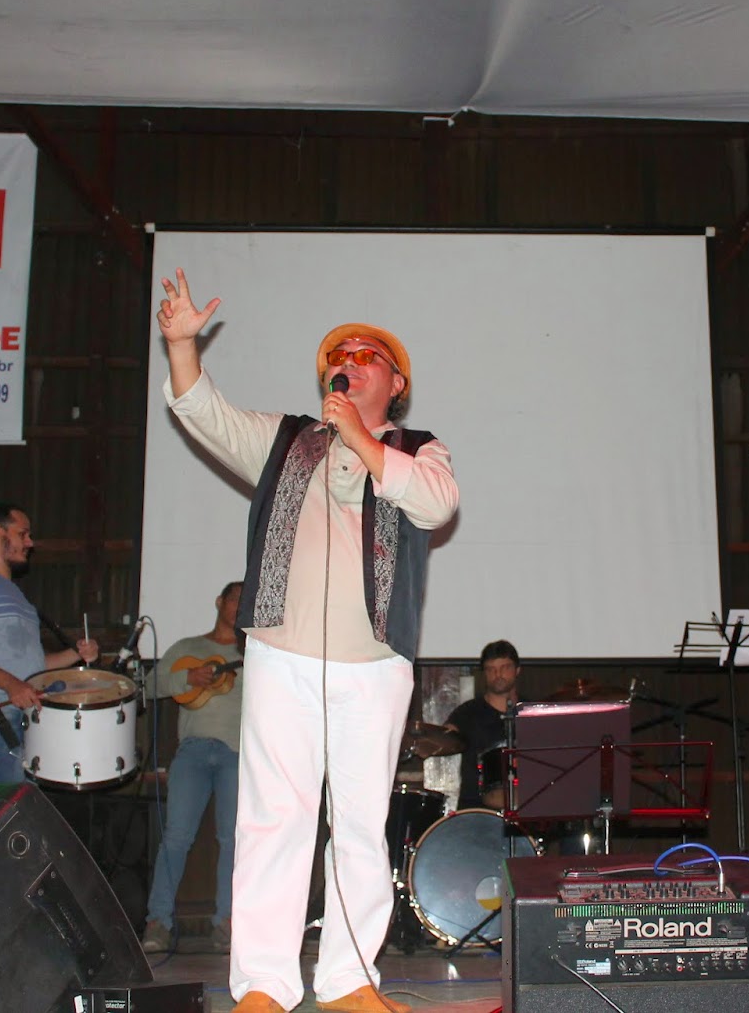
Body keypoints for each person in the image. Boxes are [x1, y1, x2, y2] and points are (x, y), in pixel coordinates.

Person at [157, 268, 458, 1013]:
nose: (349, 361)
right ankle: (265, 984)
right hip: (282, 656)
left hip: (374, 664)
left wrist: (360, 438)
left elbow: (436, 504)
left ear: (396, 383)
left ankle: (349, 981)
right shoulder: (286, 439)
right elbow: (205, 413)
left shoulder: (420, 448)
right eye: (340, 355)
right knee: (273, 820)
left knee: (359, 825)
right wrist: (182, 348)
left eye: (367, 355)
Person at [0, 501, 98, 785]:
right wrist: (11, 685)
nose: (30, 542)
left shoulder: (19, 597)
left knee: (25, 804)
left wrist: (75, 653)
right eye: (22, 534)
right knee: (10, 805)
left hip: (26, 715)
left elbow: (33, 664)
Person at [141, 580, 245, 956]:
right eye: (235, 599)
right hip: (192, 752)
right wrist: (187, 678)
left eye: (246, 601)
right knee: (176, 837)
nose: (239, 607)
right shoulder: (188, 647)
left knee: (233, 840)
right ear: (219, 601)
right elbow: (149, 686)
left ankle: (227, 922)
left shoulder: (256, 654)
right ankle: (158, 923)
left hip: (238, 753)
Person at [443, 641, 521, 810]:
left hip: (526, 808)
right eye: (491, 669)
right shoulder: (466, 713)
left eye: (505, 667)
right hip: (476, 810)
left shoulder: (532, 712)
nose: (498, 674)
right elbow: (442, 738)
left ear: (517, 670)